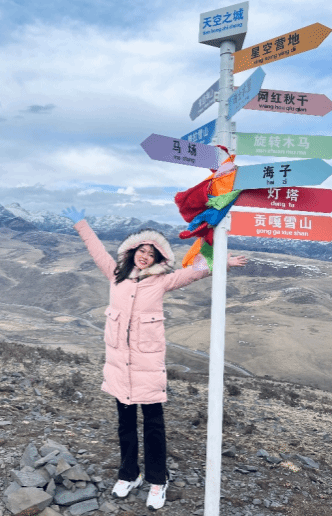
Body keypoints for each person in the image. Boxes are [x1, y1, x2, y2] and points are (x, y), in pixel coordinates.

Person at [61, 206, 247, 511]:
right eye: (141, 251)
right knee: (125, 425)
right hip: (119, 367)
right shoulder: (116, 275)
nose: (144, 256)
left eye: (151, 253)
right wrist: (81, 224)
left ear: (158, 259)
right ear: (132, 252)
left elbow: (194, 272)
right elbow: (97, 251)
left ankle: (158, 480)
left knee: (153, 426)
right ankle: (129, 475)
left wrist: (222, 262)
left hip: (147, 366)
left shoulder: (161, 281)